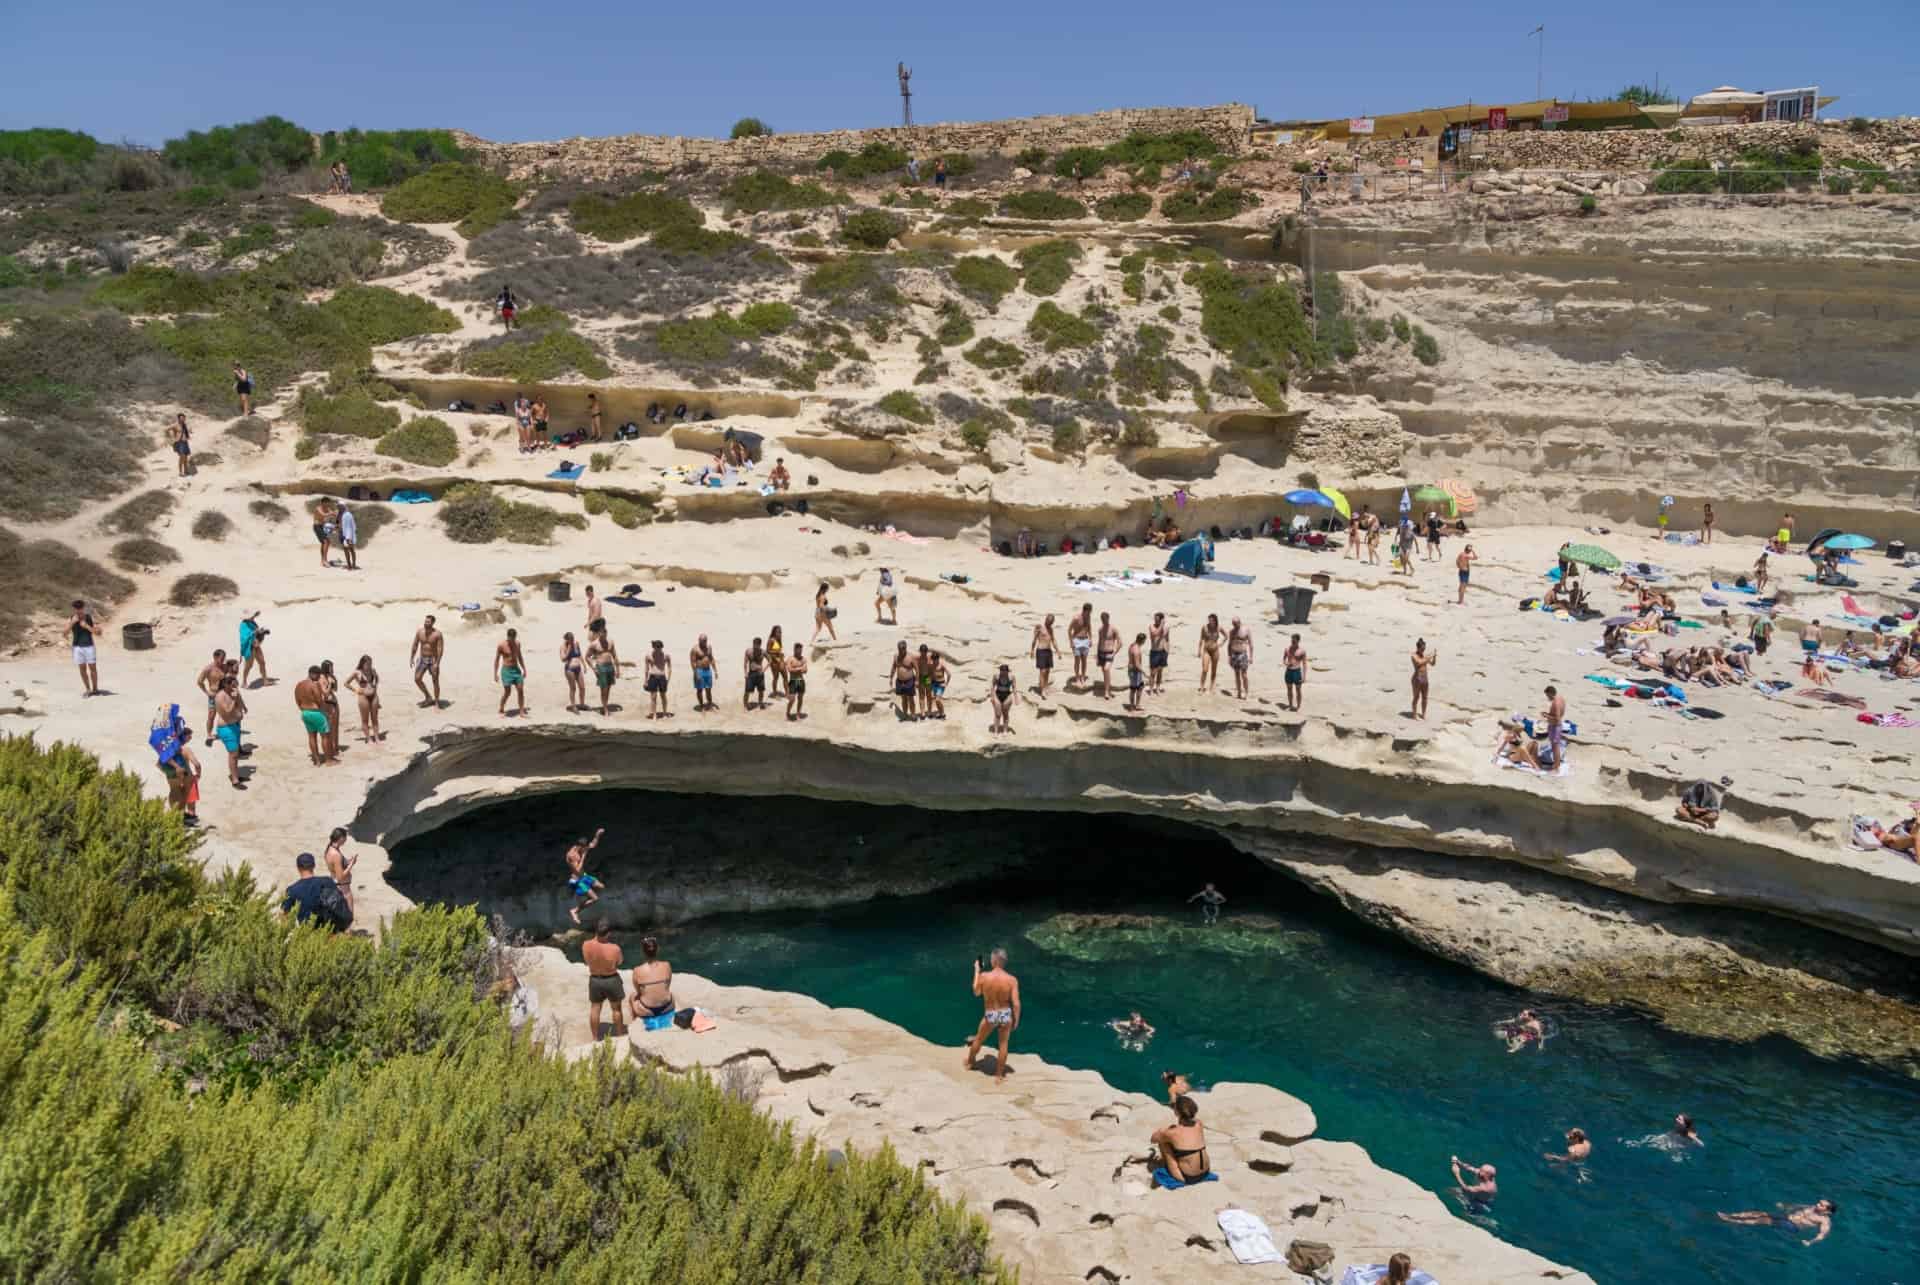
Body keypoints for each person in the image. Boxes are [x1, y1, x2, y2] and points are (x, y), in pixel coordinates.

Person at [963, 948, 1021, 1084]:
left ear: (994, 960)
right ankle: (999, 1075)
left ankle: (971, 1063)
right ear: (1004, 962)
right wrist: (1016, 1020)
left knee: (978, 1039)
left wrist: (977, 971)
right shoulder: (1012, 980)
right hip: (1005, 1013)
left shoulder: (985, 977)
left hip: (991, 1013)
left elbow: (976, 992)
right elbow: (1016, 1004)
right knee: (1003, 1044)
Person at [151, 705, 202, 825]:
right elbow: (197, 764)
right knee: (187, 796)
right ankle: (186, 817)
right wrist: (198, 775)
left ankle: (176, 816)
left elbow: (158, 764)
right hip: (186, 775)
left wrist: (170, 772)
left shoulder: (167, 748)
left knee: (174, 792)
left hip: (172, 775)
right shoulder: (185, 749)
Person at [280, 852, 350, 931]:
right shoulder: (328, 881)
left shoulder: (292, 890)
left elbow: (284, 916)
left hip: (309, 934)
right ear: (314, 866)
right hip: (332, 931)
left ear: (298, 868)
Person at [1718, 1198, 1836, 1246]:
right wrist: (1785, 1206)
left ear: (1828, 1212)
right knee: (1760, 1212)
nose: (1817, 1204)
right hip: (1787, 1217)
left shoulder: (1825, 1221)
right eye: (1819, 1202)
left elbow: (1822, 1235)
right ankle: (1731, 1215)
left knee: (1764, 1220)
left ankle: (1732, 1221)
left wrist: (1810, 1242)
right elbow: (1797, 1206)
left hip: (1792, 1226)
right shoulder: (1811, 1207)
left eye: (1821, 1205)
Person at [1150, 1095, 1210, 1185]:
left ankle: (1172, 1171)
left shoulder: (1172, 1133)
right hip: (1206, 1172)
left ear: (1177, 1112)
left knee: (1163, 1143)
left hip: (1189, 1178)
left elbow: (1153, 1139)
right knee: (1181, 1147)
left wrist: (1163, 1131)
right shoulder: (1199, 1123)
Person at [582, 919, 625, 1040]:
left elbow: (587, 961)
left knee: (595, 1008)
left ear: (596, 931)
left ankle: (595, 1038)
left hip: (595, 979)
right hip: (611, 979)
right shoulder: (615, 948)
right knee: (616, 1009)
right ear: (608, 933)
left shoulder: (586, 945)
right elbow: (620, 962)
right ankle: (620, 1035)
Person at [626, 934, 676, 1022]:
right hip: (667, 1007)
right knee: (670, 993)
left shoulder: (637, 970)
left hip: (647, 1010)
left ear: (643, 952)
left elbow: (638, 992)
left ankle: (635, 1022)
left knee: (632, 996)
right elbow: (667, 986)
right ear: (657, 950)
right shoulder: (667, 965)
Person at [566, 828, 606, 924]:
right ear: (580, 846)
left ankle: (584, 895)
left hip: (584, 876)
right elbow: (577, 870)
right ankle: (575, 911)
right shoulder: (572, 855)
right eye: (584, 848)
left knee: (601, 886)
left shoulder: (582, 848)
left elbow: (592, 844)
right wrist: (584, 856)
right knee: (595, 899)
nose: (586, 849)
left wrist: (597, 835)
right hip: (577, 880)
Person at [212, 675, 247, 788]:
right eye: (232, 684)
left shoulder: (233, 692)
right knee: (233, 754)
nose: (234, 686)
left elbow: (240, 703)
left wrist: (241, 702)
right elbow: (227, 711)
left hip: (235, 726)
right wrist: (234, 699)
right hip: (226, 728)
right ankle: (235, 780)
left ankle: (235, 774)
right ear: (225, 685)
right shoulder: (220, 696)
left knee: (235, 754)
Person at [294, 666, 332, 766]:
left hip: (305, 713)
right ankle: (328, 760)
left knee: (311, 736)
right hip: (316, 713)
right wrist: (326, 712)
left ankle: (317, 760)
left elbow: (297, 700)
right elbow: (319, 700)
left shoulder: (299, 685)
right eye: (318, 676)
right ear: (313, 674)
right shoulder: (314, 685)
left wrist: (303, 710)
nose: (319, 678)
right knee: (325, 736)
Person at [345, 653, 381, 742]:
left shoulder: (373, 670)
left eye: (370, 664)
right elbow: (346, 683)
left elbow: (377, 679)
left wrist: (375, 687)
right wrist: (356, 690)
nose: (369, 666)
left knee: (375, 718)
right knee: (365, 719)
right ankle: (368, 738)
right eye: (367, 664)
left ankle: (377, 737)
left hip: (374, 696)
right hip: (363, 696)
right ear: (362, 664)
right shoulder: (357, 672)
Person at [410, 614, 444, 707]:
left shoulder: (437, 634)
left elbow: (440, 649)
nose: (426, 623)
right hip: (422, 658)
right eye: (425, 621)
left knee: (435, 680)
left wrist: (437, 663)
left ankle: (436, 702)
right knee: (417, 679)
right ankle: (428, 697)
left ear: (433, 623)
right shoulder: (420, 632)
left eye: (428, 622)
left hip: (433, 659)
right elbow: (415, 645)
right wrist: (411, 658)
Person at [69, 600, 101, 697]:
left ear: (83, 608)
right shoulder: (71, 618)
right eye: (76, 608)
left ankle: (95, 689)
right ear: (74, 609)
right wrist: (72, 623)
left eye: (80, 608)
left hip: (89, 646)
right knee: (82, 669)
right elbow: (64, 633)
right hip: (77, 647)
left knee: (93, 668)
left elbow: (97, 633)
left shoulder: (88, 617)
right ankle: (88, 689)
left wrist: (86, 626)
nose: (78, 610)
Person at [323, 826, 357, 917]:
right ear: (341, 838)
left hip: (337, 887)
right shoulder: (336, 854)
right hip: (343, 890)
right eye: (345, 837)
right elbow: (340, 876)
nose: (346, 840)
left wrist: (347, 862)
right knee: (348, 917)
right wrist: (351, 865)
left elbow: (336, 867)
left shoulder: (329, 849)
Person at [196, 648, 228, 742]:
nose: (223, 660)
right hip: (213, 695)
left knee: (225, 714)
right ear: (215, 657)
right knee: (211, 715)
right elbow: (199, 681)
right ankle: (209, 734)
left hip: (224, 694)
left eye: (224, 658)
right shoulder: (208, 669)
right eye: (221, 658)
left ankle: (225, 732)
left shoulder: (225, 667)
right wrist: (207, 692)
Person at [494, 628, 527, 717]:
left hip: (516, 670)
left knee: (520, 690)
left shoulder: (518, 644)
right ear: (508, 637)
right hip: (506, 671)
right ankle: (501, 707)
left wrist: (524, 669)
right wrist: (495, 674)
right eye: (510, 639)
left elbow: (520, 656)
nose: (512, 640)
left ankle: (521, 711)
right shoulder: (501, 645)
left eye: (513, 638)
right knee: (507, 692)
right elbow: (497, 660)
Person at [586, 630, 620, 716]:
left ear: (606, 634)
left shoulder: (610, 642)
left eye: (604, 634)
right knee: (603, 688)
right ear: (598, 634)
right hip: (601, 667)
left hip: (610, 667)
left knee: (608, 688)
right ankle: (605, 709)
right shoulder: (594, 644)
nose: (603, 636)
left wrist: (618, 669)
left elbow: (615, 655)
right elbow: (587, 657)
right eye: (601, 634)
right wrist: (594, 668)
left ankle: (605, 705)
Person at [239, 610, 269, 689]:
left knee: (262, 662)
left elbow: (256, 631)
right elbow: (244, 637)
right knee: (249, 666)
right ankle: (244, 682)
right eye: (252, 616)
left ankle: (265, 680)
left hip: (256, 645)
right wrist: (254, 632)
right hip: (249, 647)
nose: (253, 617)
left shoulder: (252, 622)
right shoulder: (243, 625)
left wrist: (261, 631)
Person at [644, 639, 672, 719]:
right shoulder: (648, 656)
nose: (658, 649)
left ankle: (665, 713)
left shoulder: (666, 655)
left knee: (663, 696)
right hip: (653, 676)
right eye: (656, 647)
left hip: (662, 677)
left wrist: (668, 679)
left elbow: (669, 668)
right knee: (653, 696)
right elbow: (646, 669)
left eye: (660, 647)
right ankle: (654, 714)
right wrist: (645, 681)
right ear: (653, 647)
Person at [1030, 614, 1057, 696]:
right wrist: (1032, 650)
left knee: (1048, 671)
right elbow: (1034, 639)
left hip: (1049, 651)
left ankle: (1045, 687)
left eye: (1051, 622)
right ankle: (1042, 690)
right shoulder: (1040, 628)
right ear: (1045, 620)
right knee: (1042, 671)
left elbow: (1053, 640)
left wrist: (1058, 650)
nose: (1049, 623)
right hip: (1041, 651)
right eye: (1048, 621)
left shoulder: (1051, 629)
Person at [1096, 612, 1121, 699]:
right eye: (1102, 619)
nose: (1103, 621)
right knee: (1104, 672)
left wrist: (1114, 653)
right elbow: (1099, 642)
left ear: (1108, 618)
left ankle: (1106, 692)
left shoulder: (1113, 629)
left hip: (1109, 653)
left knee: (1106, 669)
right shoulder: (1100, 629)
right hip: (1101, 653)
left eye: (1104, 619)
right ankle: (1108, 689)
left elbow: (1120, 643)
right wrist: (1097, 655)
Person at [1542, 684, 1567, 770]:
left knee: (1555, 747)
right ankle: (1556, 765)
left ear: (1551, 693)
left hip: (1555, 726)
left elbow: (1557, 718)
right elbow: (1561, 713)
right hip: (1558, 726)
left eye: (1547, 695)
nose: (1547, 697)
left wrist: (1546, 716)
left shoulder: (1555, 703)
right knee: (1555, 746)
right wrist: (1549, 715)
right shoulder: (1561, 699)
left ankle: (1556, 767)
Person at [689, 634, 716, 712]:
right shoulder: (695, 649)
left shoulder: (709, 647)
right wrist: (696, 673)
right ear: (699, 640)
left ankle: (710, 705)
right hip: (699, 670)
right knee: (700, 689)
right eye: (701, 641)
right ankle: (701, 706)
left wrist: (715, 670)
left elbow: (711, 658)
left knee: (708, 689)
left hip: (708, 670)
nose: (703, 642)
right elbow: (693, 662)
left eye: (704, 641)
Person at [988, 662, 1018, 732]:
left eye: (1005, 672)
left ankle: (1005, 731)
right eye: (1002, 671)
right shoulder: (996, 676)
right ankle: (996, 731)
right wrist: (992, 697)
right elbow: (992, 686)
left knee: (1005, 714)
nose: (1004, 673)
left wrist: (1016, 698)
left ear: (1007, 671)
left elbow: (1014, 688)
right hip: (998, 694)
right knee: (997, 714)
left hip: (1007, 695)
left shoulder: (1011, 677)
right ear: (1000, 671)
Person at [1227, 617, 1253, 699]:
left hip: (1243, 654)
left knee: (1244, 674)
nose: (1234, 625)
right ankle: (1239, 692)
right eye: (1233, 624)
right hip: (1234, 654)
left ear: (1239, 622)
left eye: (1235, 623)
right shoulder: (1231, 632)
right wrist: (1229, 656)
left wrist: (1251, 657)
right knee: (1236, 674)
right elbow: (1229, 644)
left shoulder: (1246, 630)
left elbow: (1251, 644)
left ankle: (1246, 692)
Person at [1068, 604, 1093, 688]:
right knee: (1077, 660)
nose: (1089, 613)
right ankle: (1077, 678)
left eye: (1090, 612)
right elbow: (1069, 630)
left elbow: (1089, 628)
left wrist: (1090, 639)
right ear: (1084, 610)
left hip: (1085, 640)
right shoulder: (1076, 618)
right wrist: (1071, 642)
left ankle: (1083, 677)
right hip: (1077, 640)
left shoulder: (1088, 617)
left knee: (1084, 660)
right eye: (1088, 612)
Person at [1410, 639, 1436, 719]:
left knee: (1425, 697)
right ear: (1418, 648)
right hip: (1417, 679)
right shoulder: (1414, 655)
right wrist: (1429, 657)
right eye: (1422, 648)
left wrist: (1434, 657)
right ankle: (1414, 715)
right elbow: (1419, 662)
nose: (1423, 650)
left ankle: (1423, 714)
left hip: (1425, 679)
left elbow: (1432, 664)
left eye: (1424, 648)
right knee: (1416, 697)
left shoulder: (1424, 656)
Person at [1197, 613, 1222, 692]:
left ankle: (1211, 687)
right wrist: (1199, 650)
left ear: (1215, 620)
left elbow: (1226, 636)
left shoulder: (1219, 628)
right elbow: (1201, 639)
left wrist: (1221, 644)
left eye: (1212, 620)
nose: (1210, 622)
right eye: (1209, 620)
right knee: (1205, 669)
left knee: (1214, 670)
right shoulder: (1204, 627)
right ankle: (1202, 687)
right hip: (1206, 650)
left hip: (1215, 650)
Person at [743, 636, 768, 710]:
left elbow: (770, 660)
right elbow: (745, 663)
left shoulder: (763, 652)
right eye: (754, 644)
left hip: (760, 673)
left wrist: (764, 670)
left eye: (757, 645)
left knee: (761, 690)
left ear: (760, 645)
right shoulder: (749, 651)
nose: (755, 646)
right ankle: (745, 704)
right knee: (747, 690)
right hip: (751, 673)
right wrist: (745, 673)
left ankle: (760, 703)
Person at [785, 643, 809, 720]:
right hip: (793, 681)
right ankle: (788, 713)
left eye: (801, 650)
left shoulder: (803, 659)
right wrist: (799, 668)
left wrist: (797, 669)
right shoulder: (790, 659)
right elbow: (789, 670)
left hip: (801, 680)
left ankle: (798, 714)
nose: (800, 652)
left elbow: (805, 671)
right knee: (792, 699)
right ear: (794, 650)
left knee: (800, 698)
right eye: (798, 650)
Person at [1148, 612, 1170, 695]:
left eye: (1157, 619)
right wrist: (1161, 625)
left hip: (1163, 651)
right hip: (1154, 651)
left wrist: (1167, 650)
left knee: (1160, 672)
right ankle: (1150, 689)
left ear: (1161, 619)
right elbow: (1155, 634)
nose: (1155, 621)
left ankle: (1157, 688)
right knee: (1153, 672)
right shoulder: (1152, 626)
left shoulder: (1167, 627)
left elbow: (1167, 639)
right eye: (1155, 619)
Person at [1283, 634, 1307, 712]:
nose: (1292, 642)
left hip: (1297, 671)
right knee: (1289, 689)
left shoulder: (1302, 651)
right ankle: (1290, 705)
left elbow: (1304, 664)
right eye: (1291, 640)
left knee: (1298, 690)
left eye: (1294, 641)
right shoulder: (1287, 649)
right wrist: (1286, 663)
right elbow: (1284, 659)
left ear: (1298, 641)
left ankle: (1298, 706)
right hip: (1289, 671)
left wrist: (1304, 676)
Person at [1125, 633, 1147, 711]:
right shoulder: (1136, 650)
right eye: (1144, 641)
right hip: (1135, 672)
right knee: (1133, 689)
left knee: (1140, 687)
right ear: (1142, 640)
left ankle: (1136, 705)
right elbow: (1137, 664)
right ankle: (1132, 707)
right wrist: (1145, 673)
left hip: (1132, 670)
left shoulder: (1132, 645)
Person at [166, 413, 193, 477]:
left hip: (185, 442)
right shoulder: (175, 425)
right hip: (179, 443)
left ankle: (186, 471)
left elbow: (186, 432)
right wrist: (171, 438)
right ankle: (180, 472)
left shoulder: (184, 425)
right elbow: (166, 429)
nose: (182, 419)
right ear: (178, 418)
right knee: (182, 457)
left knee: (186, 457)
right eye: (181, 418)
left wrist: (188, 434)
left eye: (183, 418)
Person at [311, 498, 335, 568]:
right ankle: (325, 560)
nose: (327, 505)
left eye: (328, 503)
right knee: (326, 541)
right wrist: (331, 513)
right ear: (322, 503)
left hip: (322, 526)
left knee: (325, 543)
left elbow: (332, 514)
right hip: (317, 526)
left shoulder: (327, 508)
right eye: (326, 503)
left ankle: (323, 560)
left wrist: (336, 514)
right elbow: (323, 515)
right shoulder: (318, 508)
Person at [766, 624, 787, 698]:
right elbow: (767, 651)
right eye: (778, 632)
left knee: (785, 676)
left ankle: (787, 693)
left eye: (780, 632)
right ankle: (775, 694)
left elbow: (779, 650)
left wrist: (781, 656)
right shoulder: (771, 640)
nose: (780, 633)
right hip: (774, 661)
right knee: (776, 677)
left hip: (780, 660)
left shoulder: (779, 640)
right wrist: (777, 652)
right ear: (774, 632)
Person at [927, 649, 949, 719]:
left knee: (937, 700)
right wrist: (927, 683)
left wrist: (946, 683)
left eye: (935, 659)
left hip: (941, 684)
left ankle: (943, 713)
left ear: (938, 658)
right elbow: (928, 675)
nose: (934, 660)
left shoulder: (941, 665)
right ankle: (940, 713)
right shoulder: (931, 665)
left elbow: (949, 674)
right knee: (936, 700)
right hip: (934, 683)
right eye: (933, 659)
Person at [337, 502, 359, 571]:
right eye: (338, 506)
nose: (338, 507)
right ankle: (349, 565)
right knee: (345, 550)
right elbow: (338, 523)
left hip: (348, 534)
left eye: (340, 506)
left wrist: (348, 537)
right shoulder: (339, 514)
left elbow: (351, 526)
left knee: (351, 549)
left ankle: (353, 564)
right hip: (341, 533)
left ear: (343, 506)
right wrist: (335, 527)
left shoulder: (348, 514)